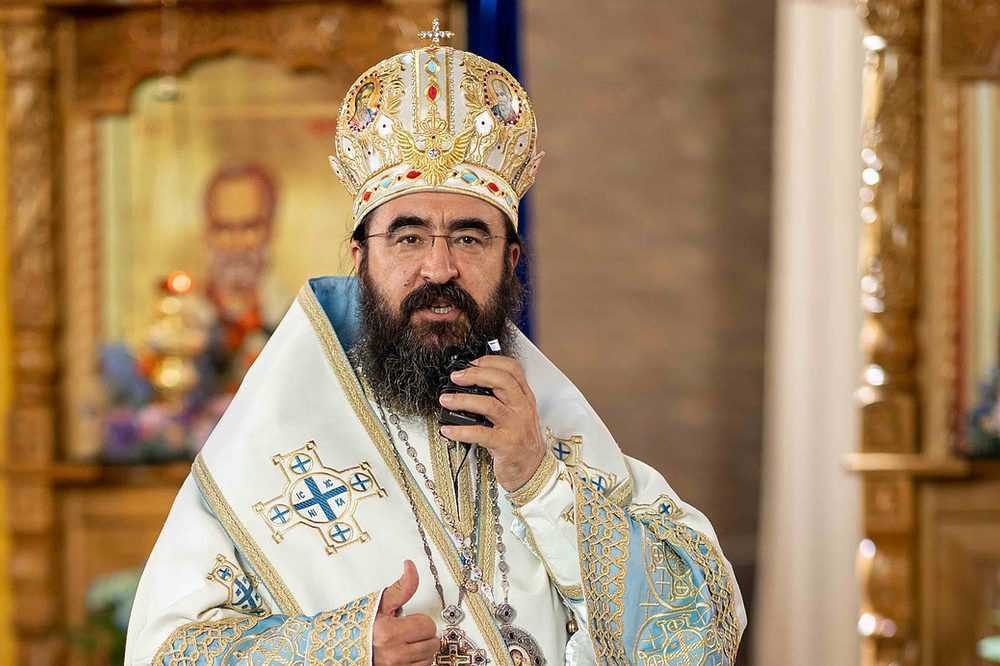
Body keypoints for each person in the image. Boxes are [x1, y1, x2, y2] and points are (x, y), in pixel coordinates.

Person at [125, 21, 746, 666]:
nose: (440, 268)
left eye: (470, 238)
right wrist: (342, 650)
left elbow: (700, 634)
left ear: (511, 261)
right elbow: (164, 652)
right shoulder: (273, 442)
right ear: (361, 258)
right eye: (409, 237)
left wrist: (540, 480)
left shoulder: (558, 439)